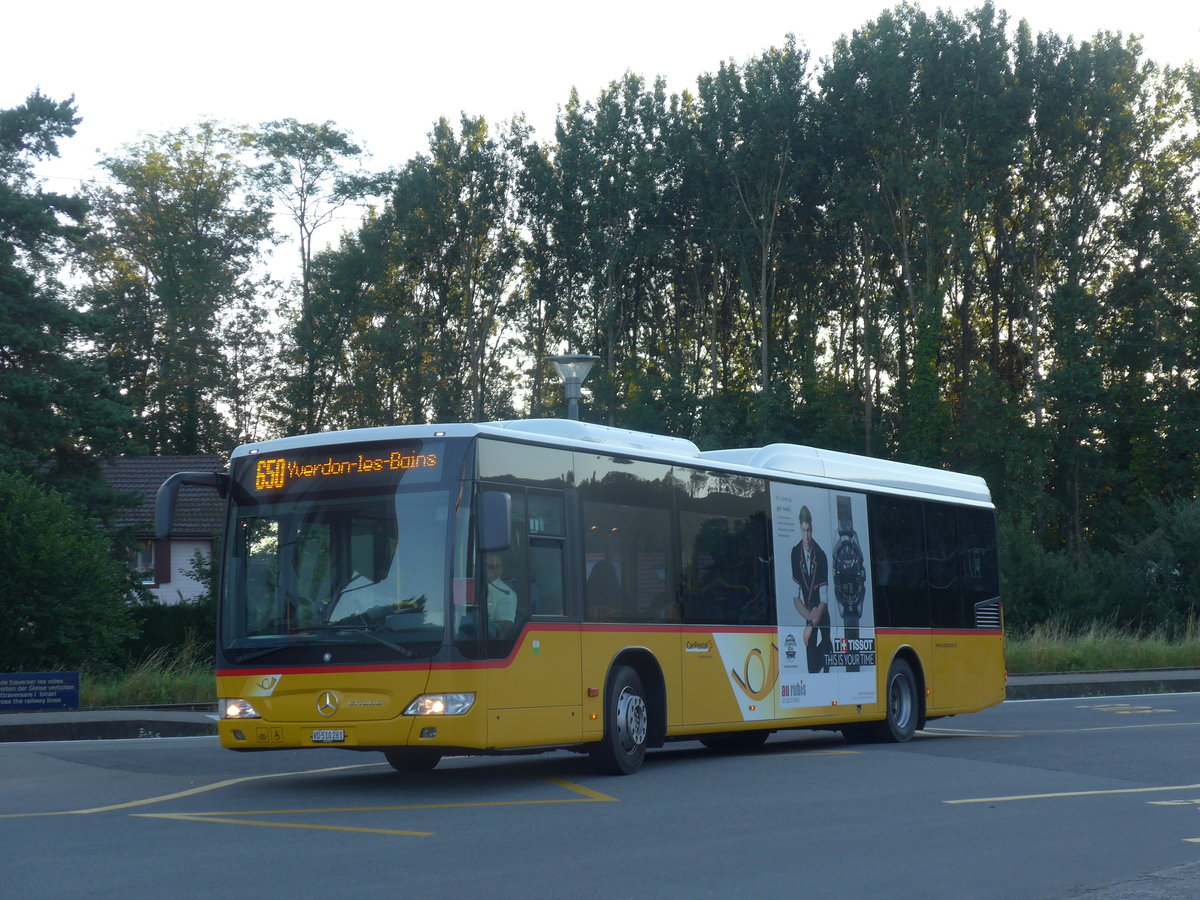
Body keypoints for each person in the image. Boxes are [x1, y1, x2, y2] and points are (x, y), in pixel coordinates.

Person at [791, 505, 831, 673]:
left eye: (809, 530)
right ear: (800, 529)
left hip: (822, 614)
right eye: (803, 530)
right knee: (811, 666)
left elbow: (823, 600)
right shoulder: (795, 553)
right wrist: (808, 619)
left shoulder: (821, 556)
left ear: (812, 529)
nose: (807, 536)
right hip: (809, 613)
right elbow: (796, 597)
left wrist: (810, 625)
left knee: (827, 650)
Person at [485, 553, 518, 639]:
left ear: (501, 569)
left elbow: (505, 631)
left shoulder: (506, 593)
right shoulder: (473, 585)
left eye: (493, 566)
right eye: (487, 566)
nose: (491, 570)